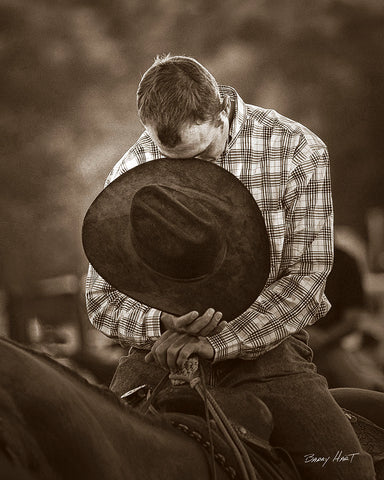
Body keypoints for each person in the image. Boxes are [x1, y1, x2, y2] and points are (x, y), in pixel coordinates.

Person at [85, 54, 375, 479]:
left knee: (346, 472)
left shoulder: (297, 151)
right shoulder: (132, 168)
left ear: (220, 112)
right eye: (174, 159)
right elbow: (100, 298)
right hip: (159, 357)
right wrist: (161, 324)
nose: (194, 172)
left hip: (269, 355)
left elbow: (307, 284)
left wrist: (219, 342)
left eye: (201, 153)